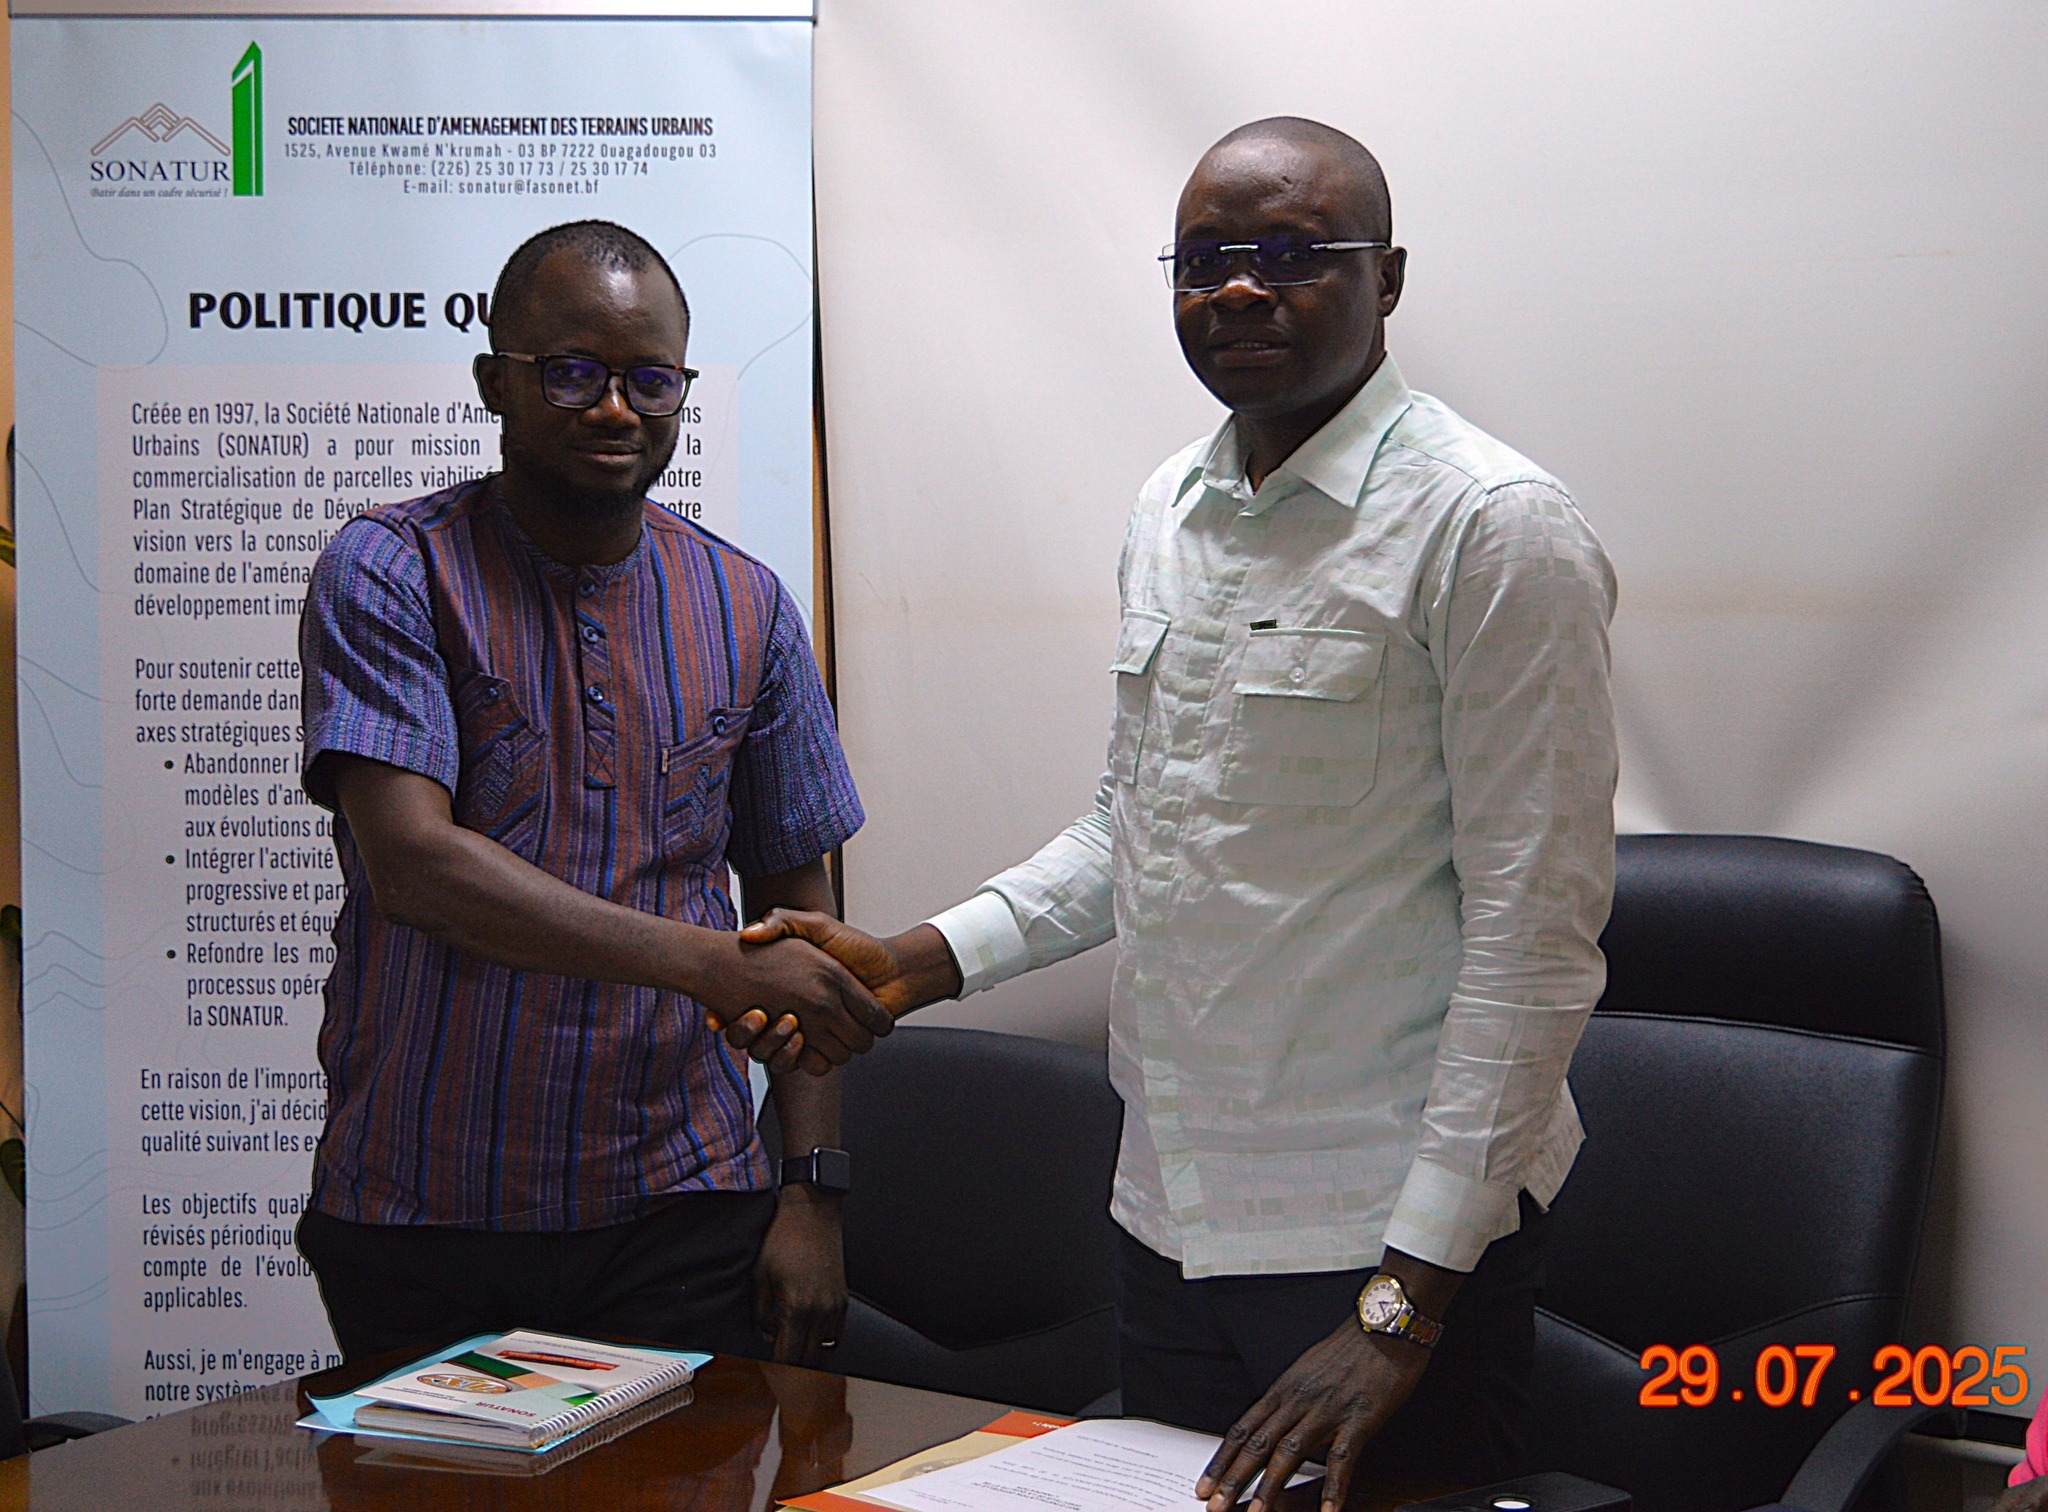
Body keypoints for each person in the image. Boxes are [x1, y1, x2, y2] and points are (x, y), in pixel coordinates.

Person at [723, 119, 1618, 1505]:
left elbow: (1534, 941)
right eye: (1203, 261)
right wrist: (907, 964)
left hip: (1378, 1243)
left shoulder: (1492, 527)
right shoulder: (1174, 506)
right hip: (1169, 1220)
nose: (1239, 289)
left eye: (1290, 254)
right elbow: (1130, 831)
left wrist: (1402, 1309)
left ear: (1387, 278)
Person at [293, 220, 892, 1367]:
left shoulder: (746, 606)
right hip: (426, 1208)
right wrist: (707, 963)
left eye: (649, 379)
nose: (615, 409)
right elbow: (415, 869)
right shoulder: (392, 570)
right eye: (571, 372)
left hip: (681, 1203)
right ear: (495, 383)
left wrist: (810, 1193)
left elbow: (798, 920)